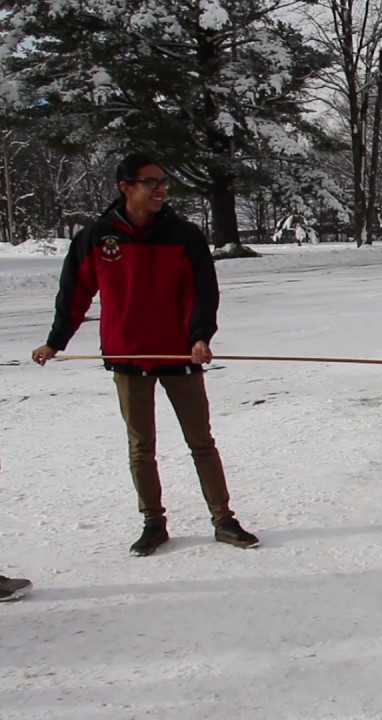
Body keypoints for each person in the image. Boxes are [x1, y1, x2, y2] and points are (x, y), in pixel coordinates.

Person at [31, 153, 259, 557]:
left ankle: (224, 520)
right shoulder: (96, 237)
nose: (160, 188)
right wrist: (56, 341)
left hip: (179, 355)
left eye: (163, 181)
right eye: (150, 181)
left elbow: (201, 292)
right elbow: (74, 294)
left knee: (201, 441)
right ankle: (153, 522)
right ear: (125, 186)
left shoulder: (184, 235)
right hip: (126, 355)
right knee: (142, 447)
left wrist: (200, 337)